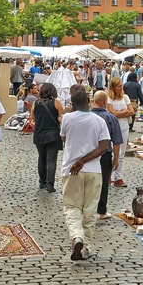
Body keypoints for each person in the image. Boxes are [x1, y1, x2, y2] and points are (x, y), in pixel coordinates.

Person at [59, 87, 110, 260]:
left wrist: (79, 160)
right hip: (94, 170)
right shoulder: (99, 121)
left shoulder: (67, 118)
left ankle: (76, 236)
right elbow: (104, 147)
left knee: (72, 206)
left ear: (72, 105)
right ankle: (86, 246)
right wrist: (85, 160)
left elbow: (64, 138)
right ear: (89, 101)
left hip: (71, 169)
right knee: (90, 209)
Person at [90, 90, 122, 220]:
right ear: (105, 102)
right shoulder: (111, 118)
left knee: (89, 181)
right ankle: (101, 211)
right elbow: (117, 141)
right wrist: (116, 159)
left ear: (93, 101)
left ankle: (87, 209)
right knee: (103, 183)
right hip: (105, 154)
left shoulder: (86, 116)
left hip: (88, 154)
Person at [33, 82, 65, 192]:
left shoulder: (36, 103)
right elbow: (60, 118)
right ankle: (50, 184)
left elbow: (33, 118)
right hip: (53, 134)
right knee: (51, 160)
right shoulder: (56, 103)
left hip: (39, 134)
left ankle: (42, 182)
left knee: (41, 158)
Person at [106, 78, 134, 187]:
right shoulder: (109, 99)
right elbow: (112, 113)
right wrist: (124, 112)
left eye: (121, 86)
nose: (121, 88)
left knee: (121, 153)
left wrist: (119, 113)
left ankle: (117, 176)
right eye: (118, 86)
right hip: (112, 128)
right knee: (111, 152)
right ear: (113, 87)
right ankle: (108, 174)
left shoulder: (125, 97)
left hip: (124, 127)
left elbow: (131, 111)